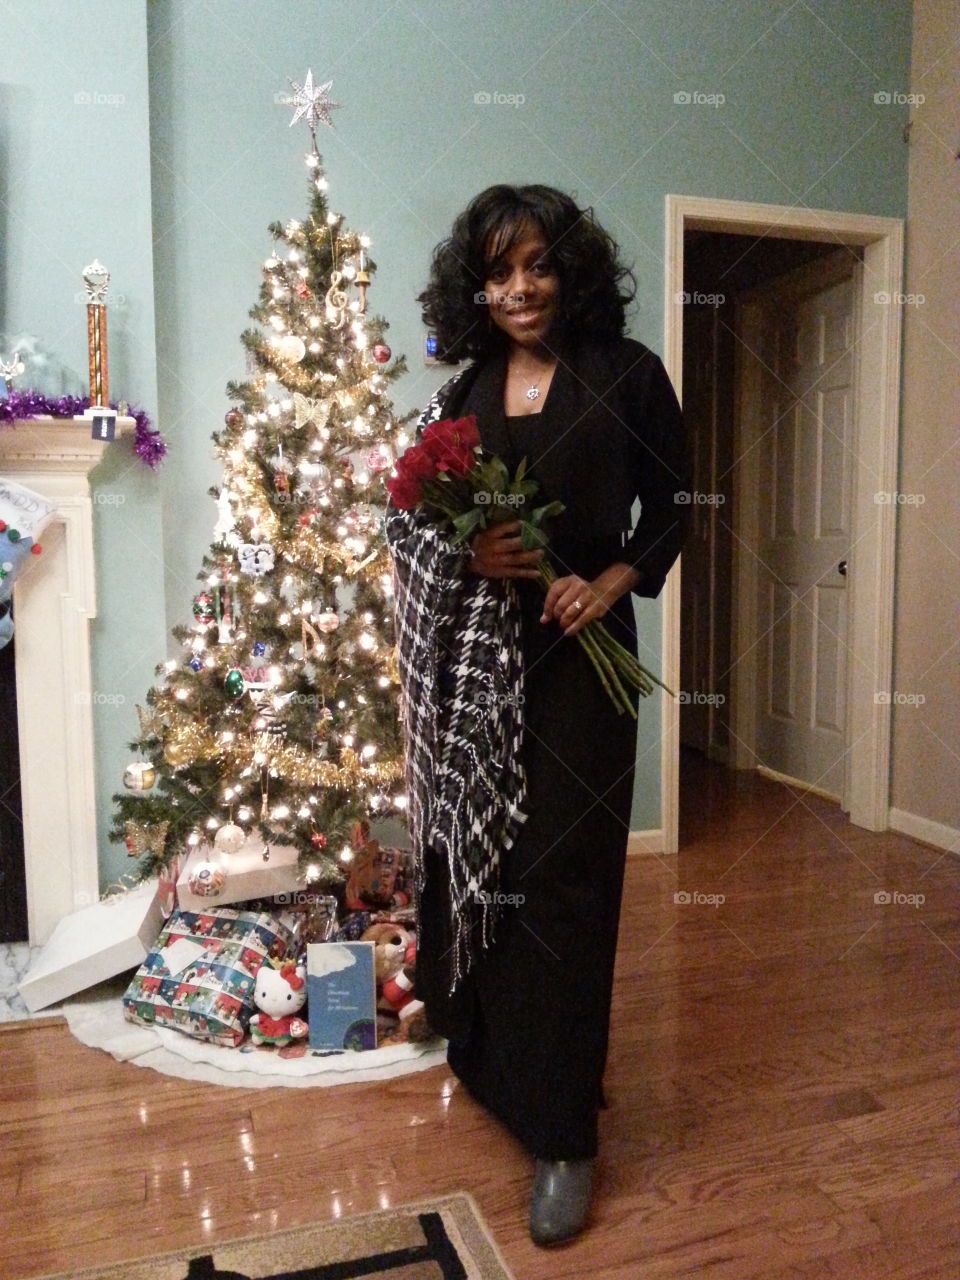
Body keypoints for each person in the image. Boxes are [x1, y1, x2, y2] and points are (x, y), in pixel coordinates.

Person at [385, 184, 688, 1246]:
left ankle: (563, 1131)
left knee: (565, 876)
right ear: (477, 285)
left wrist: (611, 580)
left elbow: (680, 502)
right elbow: (415, 530)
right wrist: (469, 553)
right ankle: (482, 1047)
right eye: (499, 270)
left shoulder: (628, 376)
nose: (519, 289)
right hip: (482, 665)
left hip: (583, 666)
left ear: (572, 269)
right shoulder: (459, 390)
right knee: (484, 853)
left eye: (539, 266)